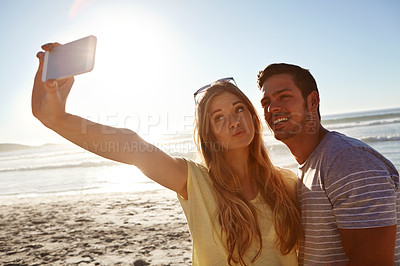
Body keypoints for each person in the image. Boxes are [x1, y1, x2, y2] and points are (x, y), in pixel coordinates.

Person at [32, 43, 302, 265]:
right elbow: (132, 146)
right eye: (219, 118)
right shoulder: (196, 182)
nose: (233, 121)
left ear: (254, 117)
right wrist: (55, 117)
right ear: (210, 135)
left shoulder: (288, 184)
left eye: (239, 109)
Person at [257, 63, 400, 265]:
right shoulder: (311, 166)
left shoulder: (347, 160)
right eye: (266, 102)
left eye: (284, 96)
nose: (272, 108)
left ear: (312, 101)